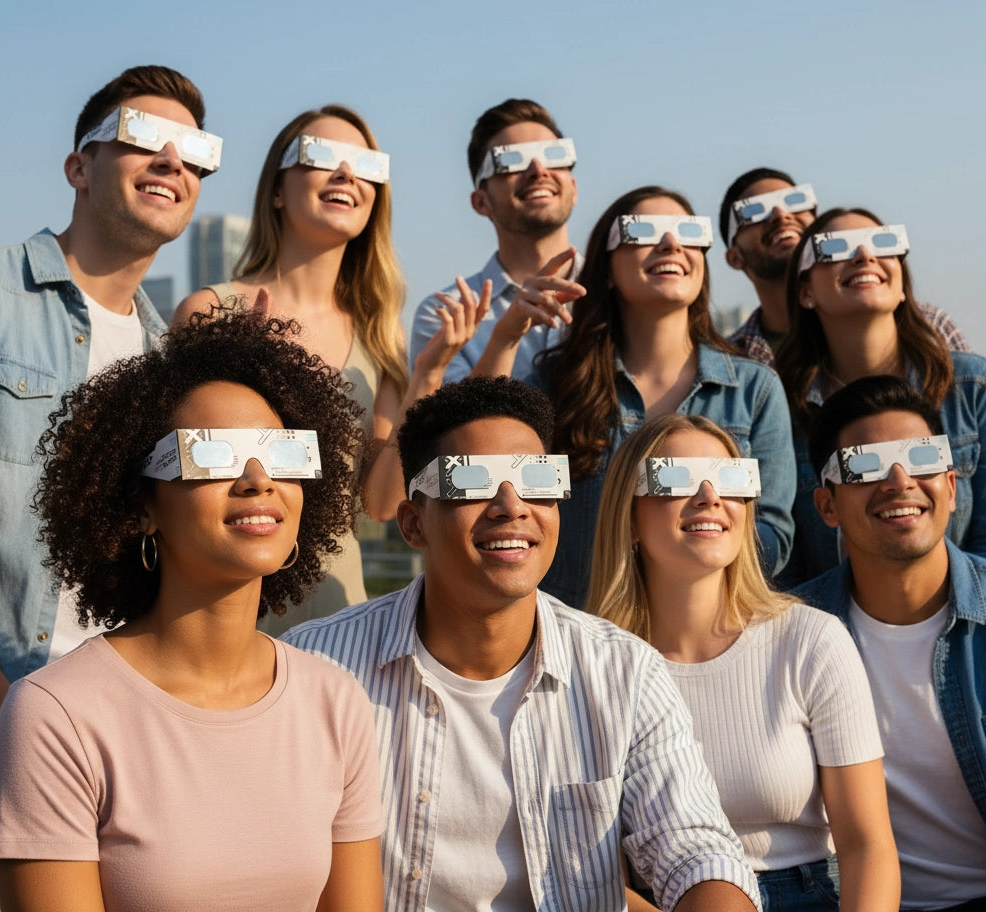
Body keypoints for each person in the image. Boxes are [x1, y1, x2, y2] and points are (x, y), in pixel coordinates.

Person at [285, 376, 762, 912]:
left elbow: (696, 849)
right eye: (472, 481)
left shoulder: (623, 671)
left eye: (538, 478)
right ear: (413, 523)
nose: (512, 505)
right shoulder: (319, 668)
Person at [0, 312, 384, 912]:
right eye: (213, 454)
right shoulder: (55, 716)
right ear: (143, 505)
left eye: (281, 453)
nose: (257, 479)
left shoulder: (335, 701)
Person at [0, 64, 217, 910]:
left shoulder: (165, 366)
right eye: (143, 139)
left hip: (107, 741)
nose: (171, 162)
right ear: (78, 166)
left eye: (195, 152)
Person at [176, 104, 487, 624]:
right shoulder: (210, 313)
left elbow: (381, 504)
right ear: (277, 190)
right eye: (320, 156)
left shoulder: (378, 338)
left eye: (367, 166)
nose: (347, 173)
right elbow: (179, 480)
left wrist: (426, 379)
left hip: (336, 610)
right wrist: (244, 374)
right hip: (224, 605)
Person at [587, 413, 899, 912]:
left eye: (732, 479)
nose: (711, 496)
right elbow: (596, 875)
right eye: (675, 478)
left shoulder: (810, 640)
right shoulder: (590, 665)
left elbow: (868, 846)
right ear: (628, 516)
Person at [479, 184, 794, 606]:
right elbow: (490, 475)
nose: (670, 243)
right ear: (606, 267)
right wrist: (505, 337)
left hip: (706, 636)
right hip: (585, 643)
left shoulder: (755, 390)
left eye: (688, 232)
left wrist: (684, 550)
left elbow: (772, 535)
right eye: (643, 232)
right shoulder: (559, 382)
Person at [797, 375, 986, 910]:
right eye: (864, 465)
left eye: (921, 457)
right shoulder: (787, 635)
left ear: (951, 484)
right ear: (827, 506)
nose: (900, 480)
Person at [776, 208, 986, 585]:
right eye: (835, 248)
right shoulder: (780, 406)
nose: (864, 256)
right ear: (805, 291)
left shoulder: (973, 386)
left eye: (884, 243)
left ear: (903, 282)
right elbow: (783, 565)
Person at [409, 97, 585, 383]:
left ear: (573, 188)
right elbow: (451, 427)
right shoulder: (446, 315)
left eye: (554, 155)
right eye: (510, 160)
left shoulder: (622, 292)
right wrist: (504, 338)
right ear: (481, 202)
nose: (539, 170)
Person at [718, 168, 967, 364]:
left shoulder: (931, 327)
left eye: (795, 201)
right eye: (752, 212)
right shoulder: (733, 361)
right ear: (735, 257)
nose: (781, 215)